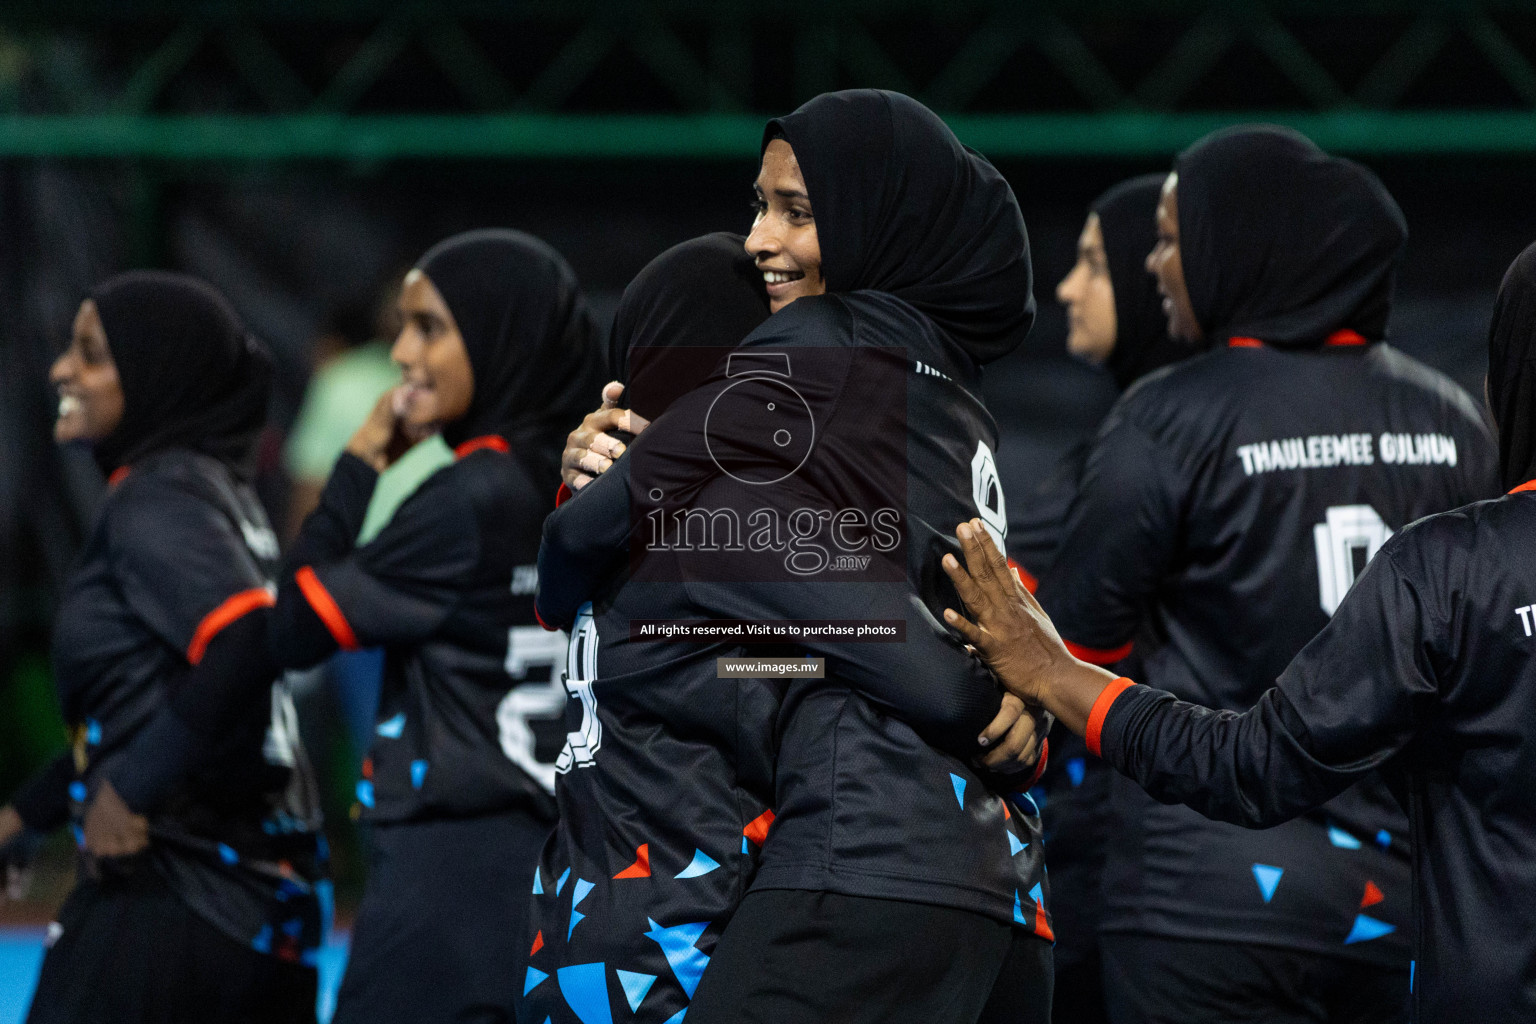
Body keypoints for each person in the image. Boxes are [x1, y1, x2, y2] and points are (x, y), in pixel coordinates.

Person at [552, 90, 1053, 1024]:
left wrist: (583, 503)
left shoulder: (807, 375)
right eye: (760, 206)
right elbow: (825, 643)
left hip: (708, 925)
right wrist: (1021, 704)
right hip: (1006, 890)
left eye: (797, 211)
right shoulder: (950, 407)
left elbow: (601, 587)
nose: (759, 239)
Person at [939, 240, 1536, 1019]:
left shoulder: (1454, 567)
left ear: (1510, 373)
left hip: (1236, 920)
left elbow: (1254, 765)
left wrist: (1053, 671)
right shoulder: (1447, 444)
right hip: (1362, 912)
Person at [1031, 126, 1497, 1024]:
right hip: (1404, 907)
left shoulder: (1167, 418)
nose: (1160, 266)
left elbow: (1069, 655)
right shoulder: (1454, 423)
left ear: (1236, 246)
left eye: (1173, 239)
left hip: (1199, 910)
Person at [267, 229, 603, 1024]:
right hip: (569, 868)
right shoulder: (590, 481)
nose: (402, 354)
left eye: (430, 329)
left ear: (498, 336)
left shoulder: (460, 497)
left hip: (447, 871)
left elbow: (291, 628)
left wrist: (360, 458)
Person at [0, 271, 326, 1024]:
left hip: (175, 901)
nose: (60, 371)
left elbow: (246, 641)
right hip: (251, 905)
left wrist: (132, 787)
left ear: (155, 375)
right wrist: (31, 814)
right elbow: (147, 700)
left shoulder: (157, 498)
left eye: (89, 355)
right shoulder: (216, 494)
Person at [1012, 173, 1208, 1024]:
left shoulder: (1159, 449)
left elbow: (1075, 644)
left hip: (1141, 857)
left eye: (1093, 264)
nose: (1065, 287)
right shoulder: (1127, 441)